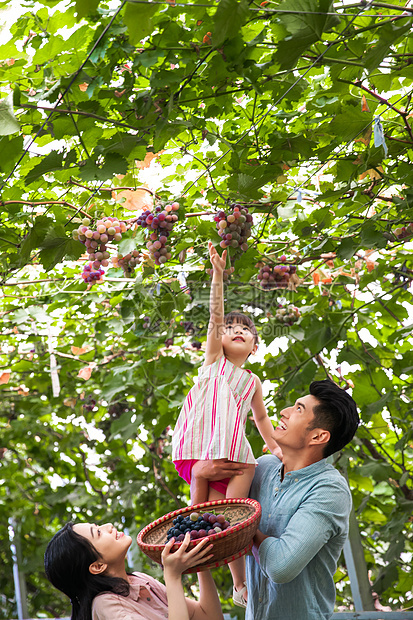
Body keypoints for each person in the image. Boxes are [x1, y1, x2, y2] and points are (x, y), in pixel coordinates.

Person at [191, 379, 360, 620]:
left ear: (318, 436)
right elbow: (209, 527)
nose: (284, 411)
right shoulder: (261, 468)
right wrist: (198, 476)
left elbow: (281, 567)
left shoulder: (329, 490)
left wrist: (242, 524)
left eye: (298, 409)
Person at [172, 241, 280, 607]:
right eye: (230, 327)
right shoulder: (213, 362)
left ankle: (238, 585)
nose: (236, 330)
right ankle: (198, 560)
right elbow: (214, 316)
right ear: (218, 338)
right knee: (206, 514)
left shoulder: (252, 381)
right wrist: (217, 275)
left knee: (224, 517)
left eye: (245, 330)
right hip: (201, 446)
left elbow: (261, 419)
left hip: (232, 450)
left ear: (254, 347)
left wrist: (277, 448)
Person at [44, 521, 224, 620]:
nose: (108, 526)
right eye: (98, 532)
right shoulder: (106, 604)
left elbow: (209, 616)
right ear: (97, 566)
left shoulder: (139, 581)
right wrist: (172, 576)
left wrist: (199, 560)